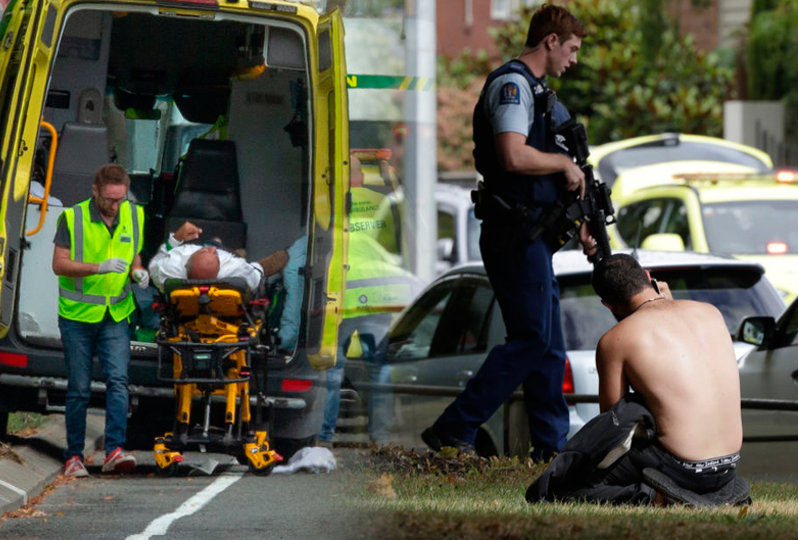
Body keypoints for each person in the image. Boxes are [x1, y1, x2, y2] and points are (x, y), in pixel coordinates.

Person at [422, 4, 593, 460]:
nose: (574, 60)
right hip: (513, 234)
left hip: (531, 236)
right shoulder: (513, 86)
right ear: (550, 41)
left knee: (550, 347)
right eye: (572, 49)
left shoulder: (542, 95)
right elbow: (513, 157)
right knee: (532, 339)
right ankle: (454, 428)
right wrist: (561, 163)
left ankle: (551, 449)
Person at [526, 254, 748, 506]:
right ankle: (709, 494)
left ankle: (655, 498)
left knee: (560, 490)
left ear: (608, 305)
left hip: (681, 468)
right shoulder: (710, 313)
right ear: (647, 276)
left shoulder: (616, 340)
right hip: (729, 467)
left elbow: (613, 423)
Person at [52, 163, 149, 477]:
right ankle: (74, 457)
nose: (115, 205)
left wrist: (138, 272)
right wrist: (99, 267)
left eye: (120, 199)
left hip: (115, 315)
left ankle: (115, 450)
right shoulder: (73, 217)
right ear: (95, 191)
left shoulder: (135, 215)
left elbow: (134, 254)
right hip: (77, 317)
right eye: (109, 199)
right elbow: (59, 264)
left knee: (119, 382)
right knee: (79, 388)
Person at [319, 154, 419, 447]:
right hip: (378, 296)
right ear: (361, 178)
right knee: (379, 368)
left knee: (333, 368)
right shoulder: (380, 201)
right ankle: (381, 439)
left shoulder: (329, 205)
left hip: (343, 297)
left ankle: (324, 437)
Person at [147, 221, 288, 292]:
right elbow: (256, 275)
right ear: (219, 272)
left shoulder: (168, 271)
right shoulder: (235, 270)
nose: (212, 250)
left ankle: (230, 249)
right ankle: (237, 254)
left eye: (205, 251)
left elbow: (155, 263)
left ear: (185, 263)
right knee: (221, 245)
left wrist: (176, 238)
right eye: (211, 252)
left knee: (214, 242)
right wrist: (256, 268)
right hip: (232, 261)